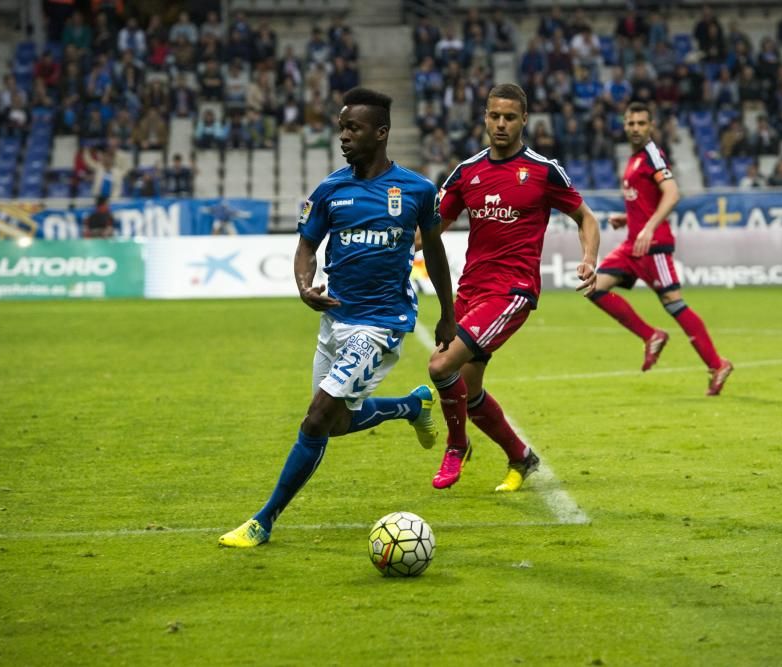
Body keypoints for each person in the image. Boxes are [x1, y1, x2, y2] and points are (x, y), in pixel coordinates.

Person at [219, 87, 456, 548]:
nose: (344, 136)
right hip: (335, 321)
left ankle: (262, 522)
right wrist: (304, 286)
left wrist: (448, 314)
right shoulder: (330, 190)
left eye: (354, 128)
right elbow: (307, 246)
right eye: (342, 127)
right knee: (338, 424)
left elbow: (438, 252)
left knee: (314, 420)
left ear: (381, 132)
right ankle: (411, 405)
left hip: (381, 324)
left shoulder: (417, 190)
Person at [427, 83, 601, 492]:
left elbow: (586, 219)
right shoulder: (466, 172)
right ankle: (522, 457)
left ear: (524, 120)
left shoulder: (543, 170)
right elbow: (429, 233)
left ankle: (457, 447)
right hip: (470, 291)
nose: (501, 124)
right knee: (468, 393)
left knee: (440, 367)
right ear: (484, 118)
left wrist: (590, 259)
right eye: (494, 116)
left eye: (509, 117)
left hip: (513, 292)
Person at [581, 101, 733, 396]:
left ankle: (717, 365)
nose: (636, 128)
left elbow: (672, 193)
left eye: (641, 123)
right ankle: (651, 335)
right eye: (631, 123)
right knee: (593, 288)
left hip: (654, 247)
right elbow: (647, 200)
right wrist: (630, 219)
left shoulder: (652, 155)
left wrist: (649, 227)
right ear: (624, 126)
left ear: (651, 126)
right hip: (633, 245)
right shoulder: (635, 158)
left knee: (675, 304)